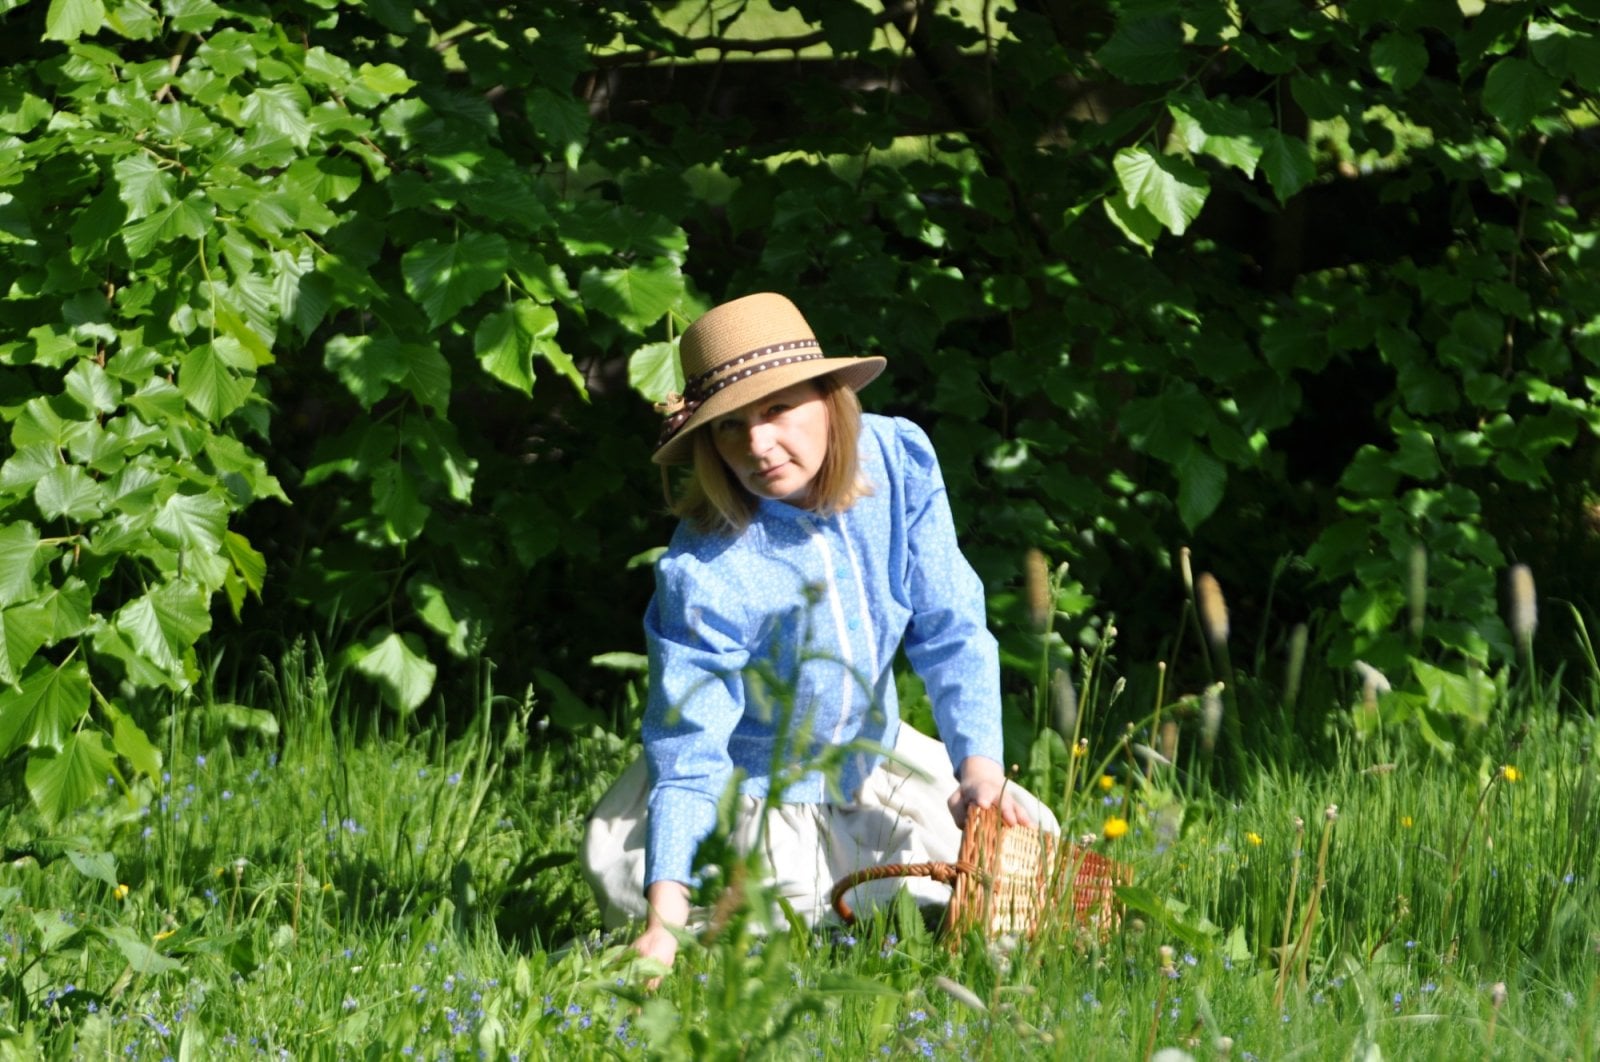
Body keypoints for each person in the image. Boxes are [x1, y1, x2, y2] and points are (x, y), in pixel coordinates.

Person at [581, 292, 1058, 971]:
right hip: (753, 791)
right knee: (766, 941)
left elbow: (951, 624)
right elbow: (690, 748)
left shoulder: (898, 461)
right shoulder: (709, 565)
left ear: (828, 396)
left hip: (873, 760)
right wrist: (664, 921)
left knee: (1019, 857)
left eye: (778, 409)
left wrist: (977, 770)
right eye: (729, 426)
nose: (757, 443)